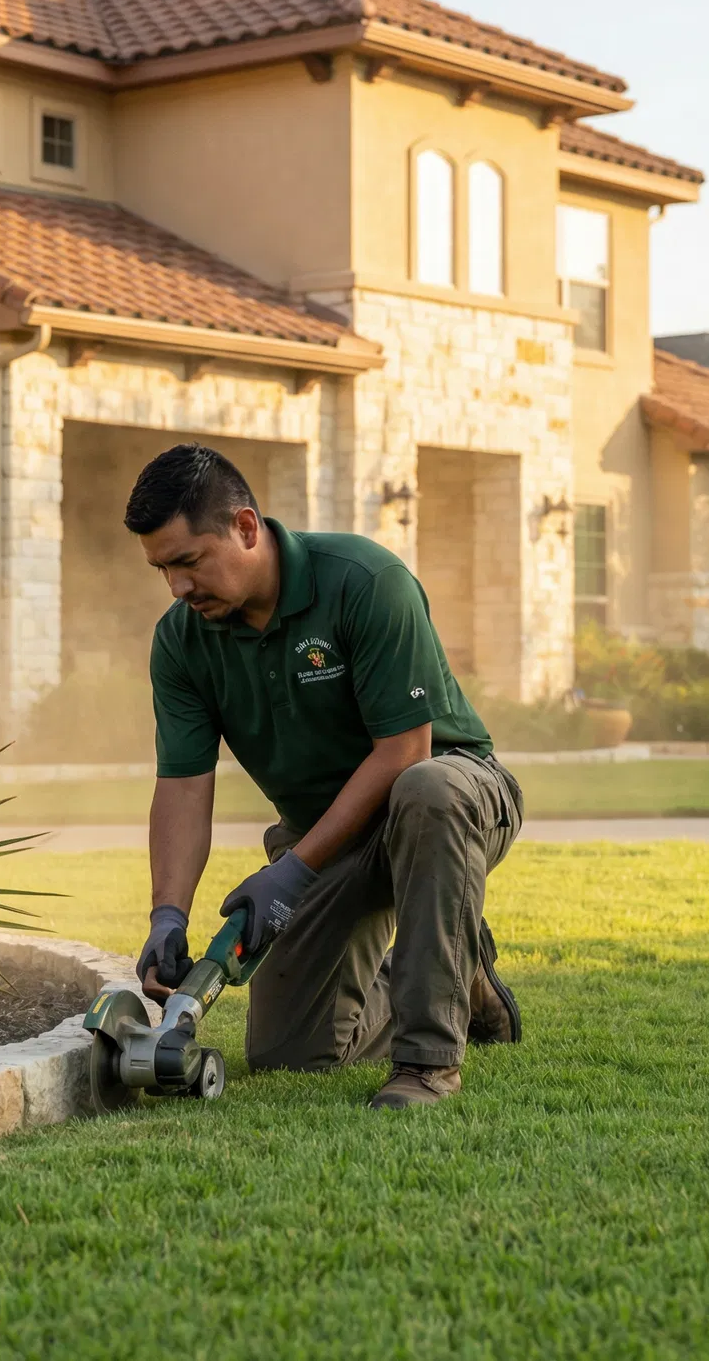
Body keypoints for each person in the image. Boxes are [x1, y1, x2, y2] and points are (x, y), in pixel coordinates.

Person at [127, 443, 524, 1110]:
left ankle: (427, 1064)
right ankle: (458, 970)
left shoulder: (364, 581)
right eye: (162, 569)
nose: (178, 588)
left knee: (427, 792)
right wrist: (168, 915)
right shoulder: (182, 641)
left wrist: (291, 872)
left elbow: (405, 752)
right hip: (328, 836)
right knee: (292, 1054)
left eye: (189, 562)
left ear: (246, 529)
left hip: (452, 798)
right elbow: (184, 787)